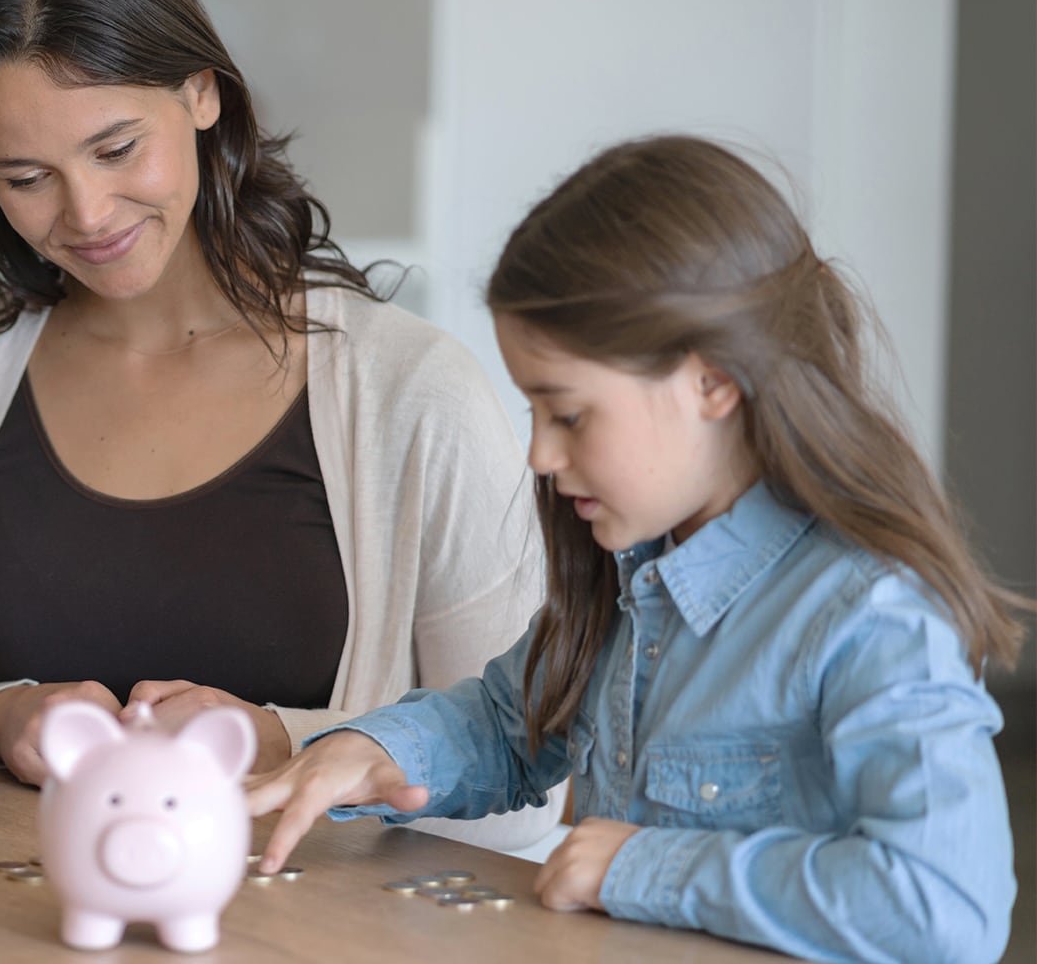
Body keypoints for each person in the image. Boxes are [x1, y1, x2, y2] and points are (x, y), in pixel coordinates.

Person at [0, 0, 558, 850]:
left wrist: (275, 741)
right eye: (25, 176)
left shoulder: (412, 393)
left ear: (203, 95)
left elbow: (531, 778)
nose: (87, 212)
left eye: (116, 149)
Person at [248, 135, 1029, 962]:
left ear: (713, 382)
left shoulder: (874, 617)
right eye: (533, 414)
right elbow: (507, 724)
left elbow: (943, 905)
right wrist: (374, 751)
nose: (540, 457)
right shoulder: (630, 577)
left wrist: (642, 867)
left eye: (570, 415)